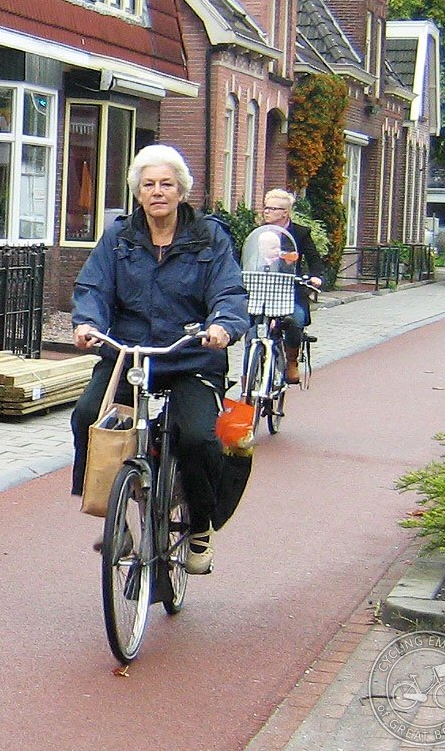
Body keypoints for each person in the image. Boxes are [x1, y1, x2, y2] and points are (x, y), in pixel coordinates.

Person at [70, 144, 250, 575]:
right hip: (131, 355)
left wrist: (223, 325)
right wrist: (87, 324)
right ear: (137, 193)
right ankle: (112, 514)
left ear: (181, 191)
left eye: (166, 184)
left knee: (199, 439)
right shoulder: (119, 237)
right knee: (87, 415)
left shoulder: (209, 237)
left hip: (190, 355)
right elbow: (93, 287)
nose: (157, 192)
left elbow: (229, 292)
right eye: (148, 184)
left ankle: (201, 525)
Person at [260, 188, 324, 383]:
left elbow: (314, 259)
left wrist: (316, 276)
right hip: (262, 287)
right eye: (265, 207)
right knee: (250, 325)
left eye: (272, 208)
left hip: (289, 289)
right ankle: (248, 373)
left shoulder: (300, 233)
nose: (266, 212)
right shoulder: (259, 232)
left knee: (295, 320)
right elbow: (245, 256)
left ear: (285, 212)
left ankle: (291, 361)